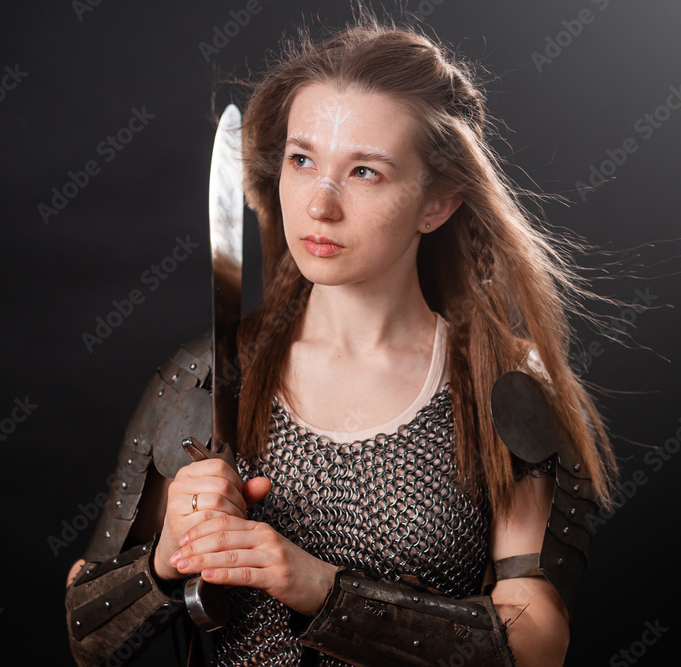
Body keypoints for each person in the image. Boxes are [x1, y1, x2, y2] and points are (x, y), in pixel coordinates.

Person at [65, 16, 617, 667]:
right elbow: (87, 636)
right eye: (302, 161)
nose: (319, 205)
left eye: (364, 172)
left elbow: (536, 644)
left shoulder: (503, 385)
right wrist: (164, 561)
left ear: (436, 201)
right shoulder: (207, 377)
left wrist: (321, 587)